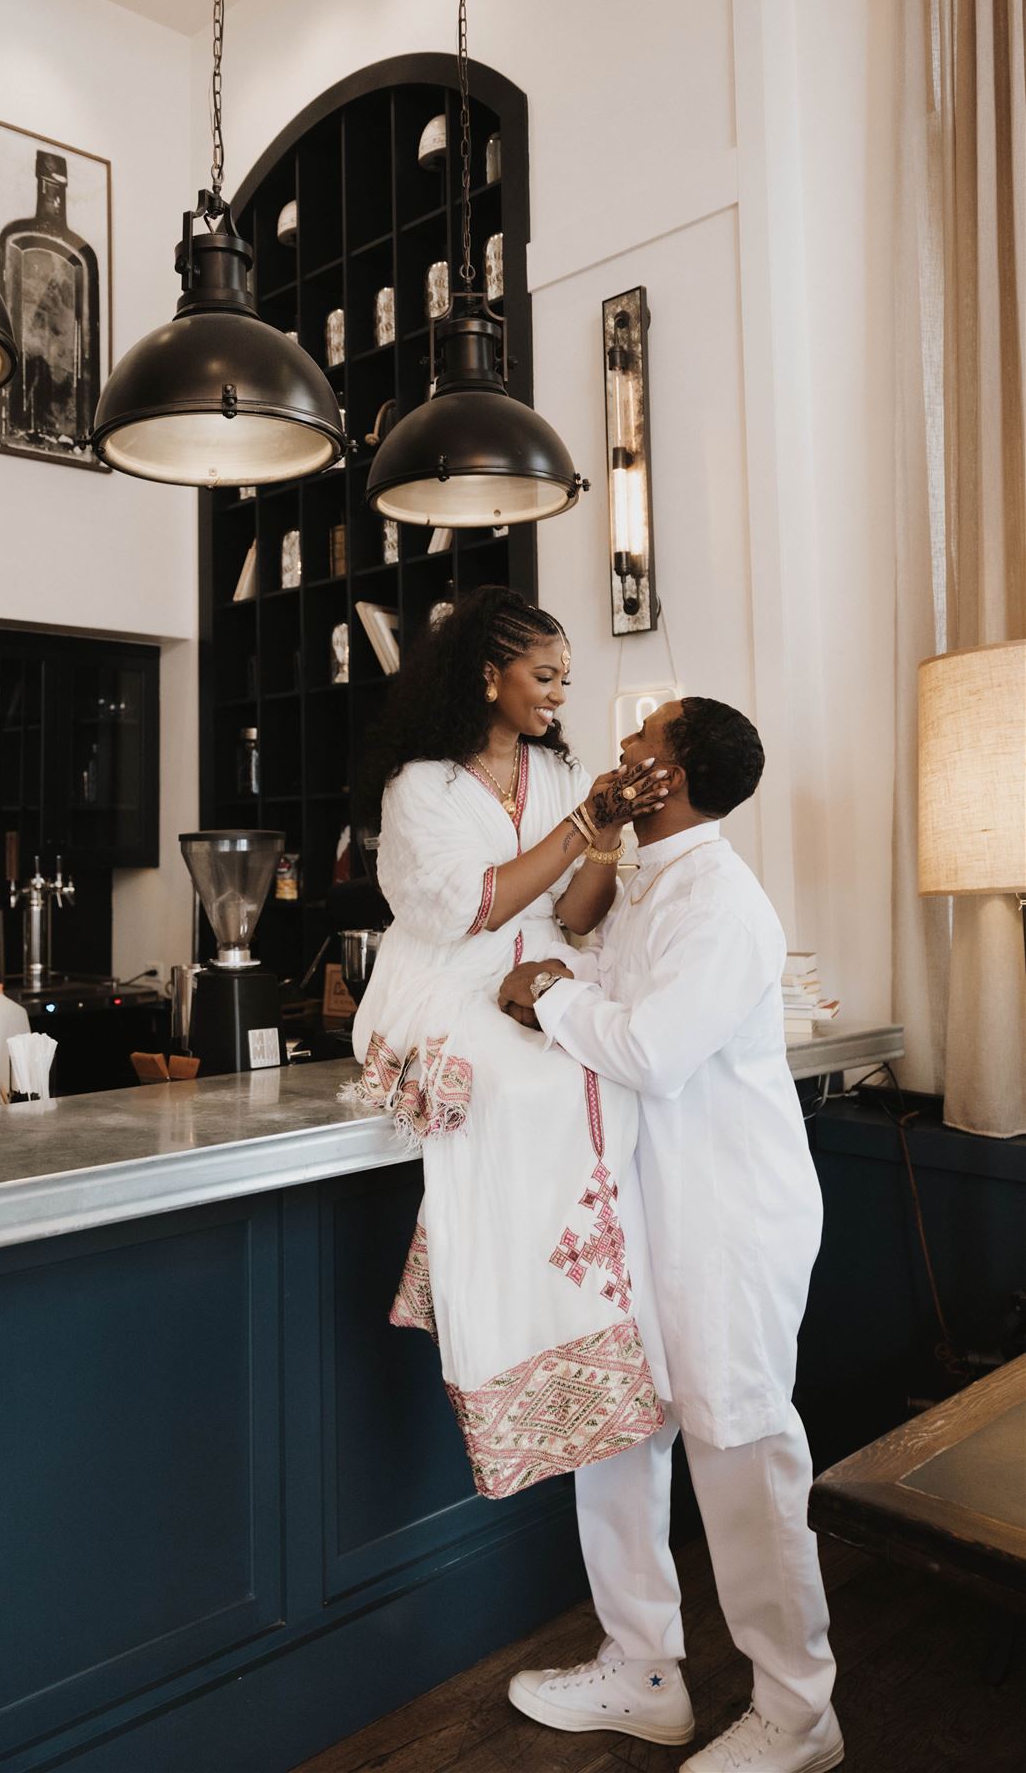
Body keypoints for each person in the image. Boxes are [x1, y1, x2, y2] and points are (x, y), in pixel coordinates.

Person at [499, 696, 841, 1773]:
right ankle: (643, 1667)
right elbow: (603, 971)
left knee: (741, 1450)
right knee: (619, 1428)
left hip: (729, 1220)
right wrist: (563, 977)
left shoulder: (726, 905)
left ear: (677, 775)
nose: (625, 752)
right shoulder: (656, 879)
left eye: (643, 744)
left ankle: (800, 1711)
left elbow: (650, 1046)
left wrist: (551, 1000)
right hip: (648, 1209)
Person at [351, 586, 672, 1498]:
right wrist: (583, 824)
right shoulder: (423, 786)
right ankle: (491, 1312)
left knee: (598, 1078)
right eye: (544, 675)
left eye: (565, 678)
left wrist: (604, 837)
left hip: (541, 975)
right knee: (516, 1090)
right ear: (487, 676)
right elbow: (473, 908)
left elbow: (571, 917)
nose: (558, 694)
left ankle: (584, 1319)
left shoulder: (564, 778)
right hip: (448, 979)